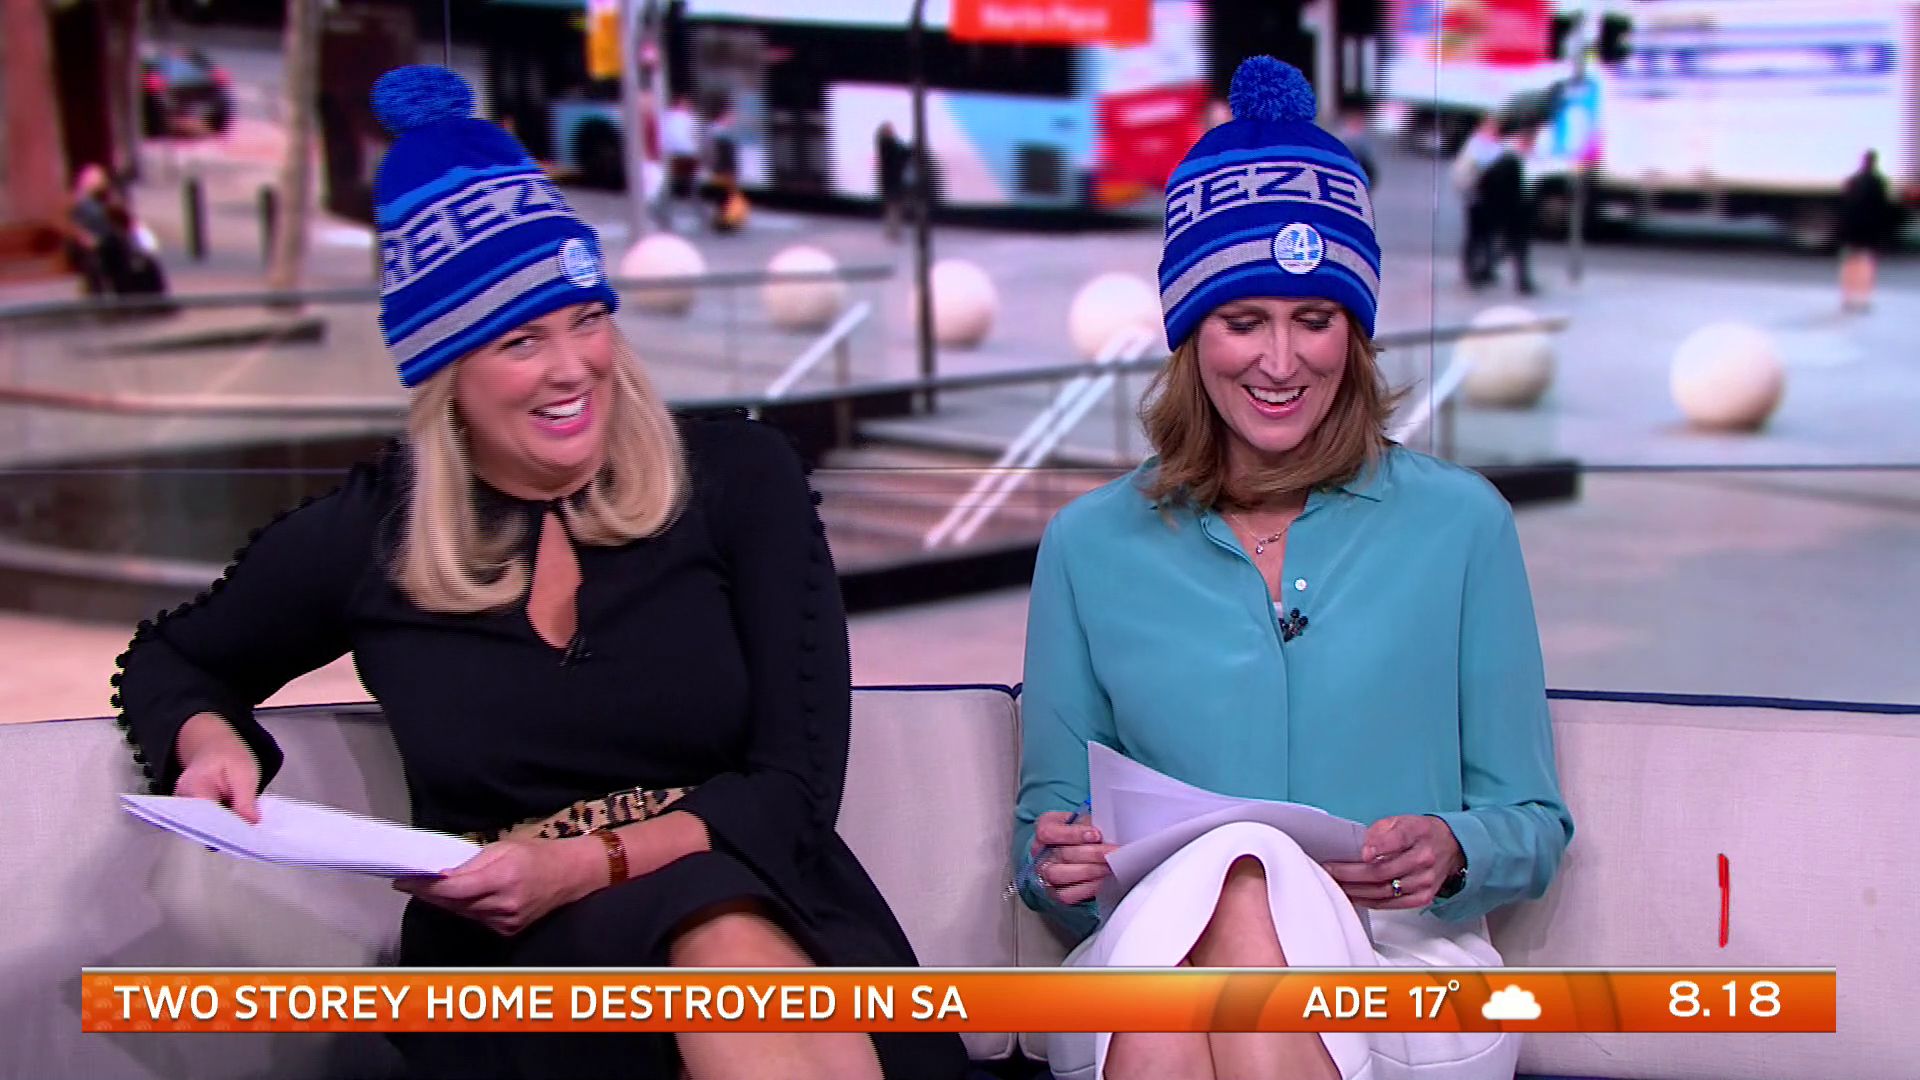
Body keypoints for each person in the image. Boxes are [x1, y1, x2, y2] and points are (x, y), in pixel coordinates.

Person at [111, 66, 968, 1080]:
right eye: (521, 340)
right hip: (515, 968)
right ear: (447, 375)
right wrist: (212, 741)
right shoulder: (372, 532)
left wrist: (584, 862)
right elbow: (170, 660)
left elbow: (793, 788)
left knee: (724, 940)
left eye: (587, 320)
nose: (572, 368)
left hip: (760, 892)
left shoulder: (742, 478)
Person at [1013, 57, 1573, 1080]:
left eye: (1314, 320)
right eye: (1243, 323)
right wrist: (1063, 859)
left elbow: (1531, 822)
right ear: (1191, 336)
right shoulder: (1089, 546)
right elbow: (1043, 838)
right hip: (1154, 946)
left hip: (1400, 962)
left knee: (1245, 886)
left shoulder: (1463, 526)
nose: (1281, 363)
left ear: (1354, 333)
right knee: (1231, 888)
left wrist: (1455, 848)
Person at [1472, 124, 1538, 295]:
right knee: (1517, 246)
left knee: (1510, 246)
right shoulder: (1510, 160)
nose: (1532, 146)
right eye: (1530, 143)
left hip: (1513, 210)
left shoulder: (1512, 158)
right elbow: (1503, 187)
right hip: (1514, 211)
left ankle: (1486, 270)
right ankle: (1522, 281)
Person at [1838, 149, 1898, 313]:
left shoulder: (1853, 180)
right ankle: (1863, 299)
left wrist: (1842, 230)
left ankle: (1848, 297)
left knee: (1851, 263)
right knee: (1868, 264)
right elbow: (1883, 208)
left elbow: (1846, 206)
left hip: (1853, 229)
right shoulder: (1880, 182)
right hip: (1870, 230)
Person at [1451, 117, 1503, 288]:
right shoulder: (1476, 146)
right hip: (1476, 196)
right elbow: (1468, 171)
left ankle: (1486, 268)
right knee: (1475, 235)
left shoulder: (1496, 146)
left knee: (1488, 235)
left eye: (1495, 128)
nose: (1494, 131)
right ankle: (1470, 270)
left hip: (1491, 198)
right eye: (1490, 128)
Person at [875, 121, 911, 240]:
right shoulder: (888, 144)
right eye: (890, 129)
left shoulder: (888, 143)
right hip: (892, 181)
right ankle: (893, 232)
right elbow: (900, 156)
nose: (893, 131)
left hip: (892, 181)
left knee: (894, 207)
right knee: (894, 207)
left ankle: (893, 231)